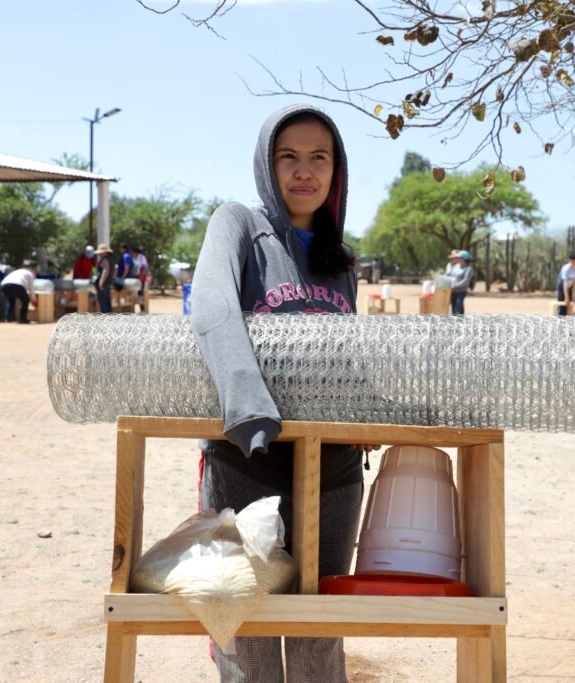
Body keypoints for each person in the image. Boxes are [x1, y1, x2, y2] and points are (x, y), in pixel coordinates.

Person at [190, 104, 364, 682]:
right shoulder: (237, 224)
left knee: (319, 631)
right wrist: (247, 406)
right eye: (288, 157)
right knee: (248, 628)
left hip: (333, 470)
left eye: (319, 158)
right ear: (267, 164)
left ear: (337, 169)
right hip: (248, 460)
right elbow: (211, 303)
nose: (303, 171)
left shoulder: (341, 258)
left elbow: (346, 354)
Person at [445, 249, 473, 315]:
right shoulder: (456, 266)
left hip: (461, 291)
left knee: (459, 304)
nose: (457, 259)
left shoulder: (469, 269)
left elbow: (466, 281)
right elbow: (449, 275)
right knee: (454, 306)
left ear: (463, 259)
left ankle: (460, 320)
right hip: (452, 290)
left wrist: (455, 286)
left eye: (458, 258)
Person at [93, 243, 114, 313]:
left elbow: (106, 270)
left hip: (104, 284)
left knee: (103, 301)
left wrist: (101, 282)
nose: (99, 254)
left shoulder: (105, 260)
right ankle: (108, 316)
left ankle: (104, 316)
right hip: (108, 282)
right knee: (107, 300)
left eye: (101, 252)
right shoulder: (111, 258)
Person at [131, 246, 150, 312]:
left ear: (135, 252)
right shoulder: (133, 258)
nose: (131, 253)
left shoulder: (142, 257)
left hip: (141, 278)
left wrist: (140, 277)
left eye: (132, 252)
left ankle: (142, 309)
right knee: (134, 293)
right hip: (134, 278)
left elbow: (145, 268)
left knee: (140, 293)